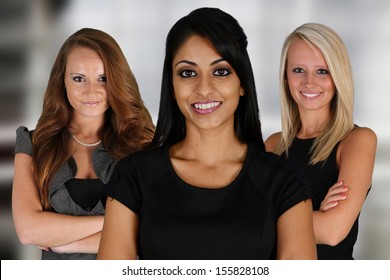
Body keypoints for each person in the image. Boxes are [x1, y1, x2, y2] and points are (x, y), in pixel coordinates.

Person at [97, 7, 316, 260]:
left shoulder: (285, 182)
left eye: (220, 71)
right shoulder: (133, 177)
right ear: (171, 86)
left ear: (242, 83)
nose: (204, 88)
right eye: (188, 73)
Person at [12, 28, 155, 259]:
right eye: (79, 79)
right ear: (62, 82)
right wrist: (117, 221)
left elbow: (152, 233)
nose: (92, 91)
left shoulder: (144, 144)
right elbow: (28, 231)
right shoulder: (33, 143)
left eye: (103, 79)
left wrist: (64, 243)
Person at [265, 23, 377, 259]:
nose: (309, 82)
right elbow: (243, 224)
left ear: (338, 77)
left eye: (322, 71)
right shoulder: (272, 146)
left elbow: (333, 231)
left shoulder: (357, 140)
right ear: (286, 76)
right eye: (298, 70)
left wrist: (269, 218)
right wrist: (314, 215)